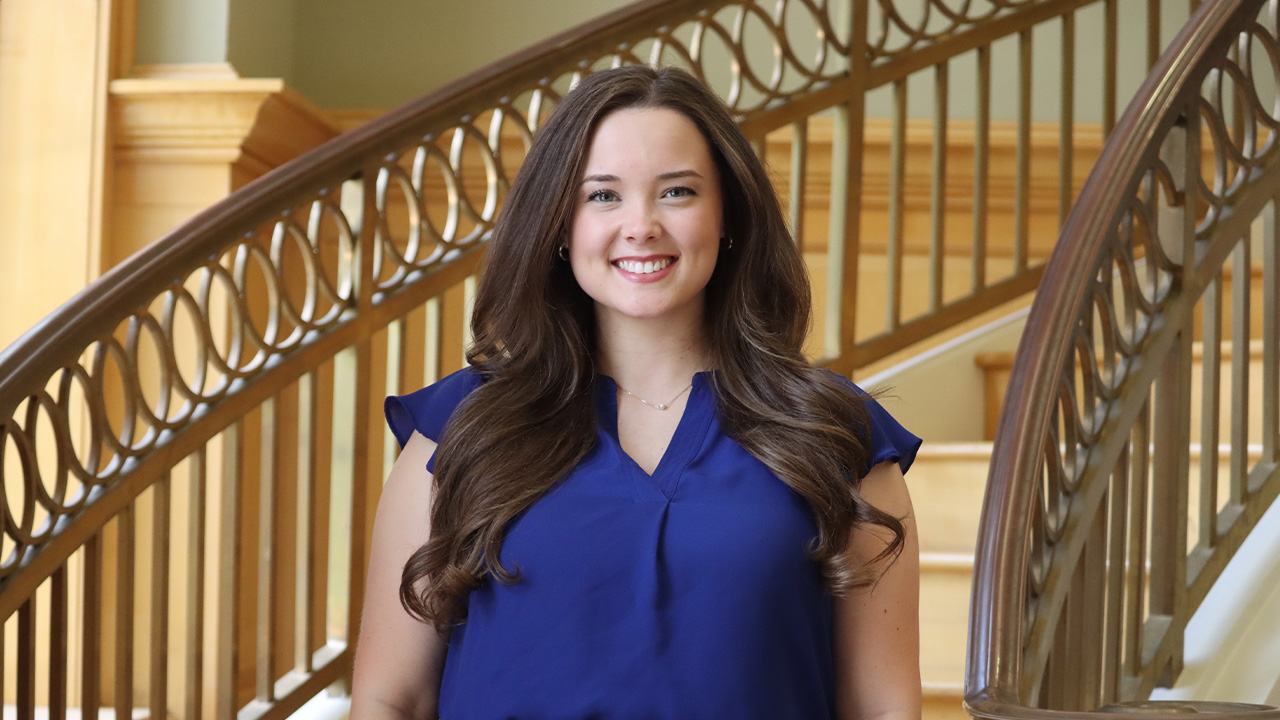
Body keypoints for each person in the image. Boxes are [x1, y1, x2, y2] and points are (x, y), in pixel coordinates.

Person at [350, 65, 922, 720]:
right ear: (559, 226)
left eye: (676, 192)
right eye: (602, 196)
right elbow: (390, 700)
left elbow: (883, 707)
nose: (641, 224)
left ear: (727, 214)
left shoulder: (837, 435)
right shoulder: (457, 430)